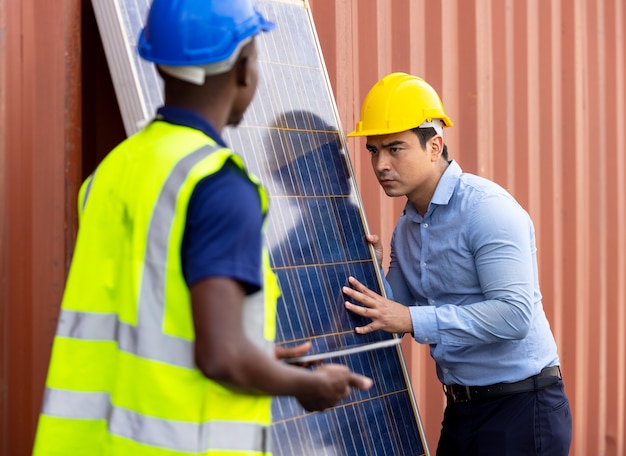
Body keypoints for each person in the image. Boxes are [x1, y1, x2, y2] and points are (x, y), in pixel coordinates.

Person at [31, 1, 372, 455]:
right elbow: (221, 356)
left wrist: (256, 356)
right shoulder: (218, 185)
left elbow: (150, 315)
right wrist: (304, 385)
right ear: (243, 69)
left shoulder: (112, 170)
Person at [342, 72, 572, 455]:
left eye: (395, 148)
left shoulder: (487, 210)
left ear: (434, 146)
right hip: (463, 410)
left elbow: (514, 316)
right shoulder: (406, 230)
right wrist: (373, 268)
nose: (381, 164)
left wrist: (413, 319)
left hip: (523, 409)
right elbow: (389, 322)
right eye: (373, 151)